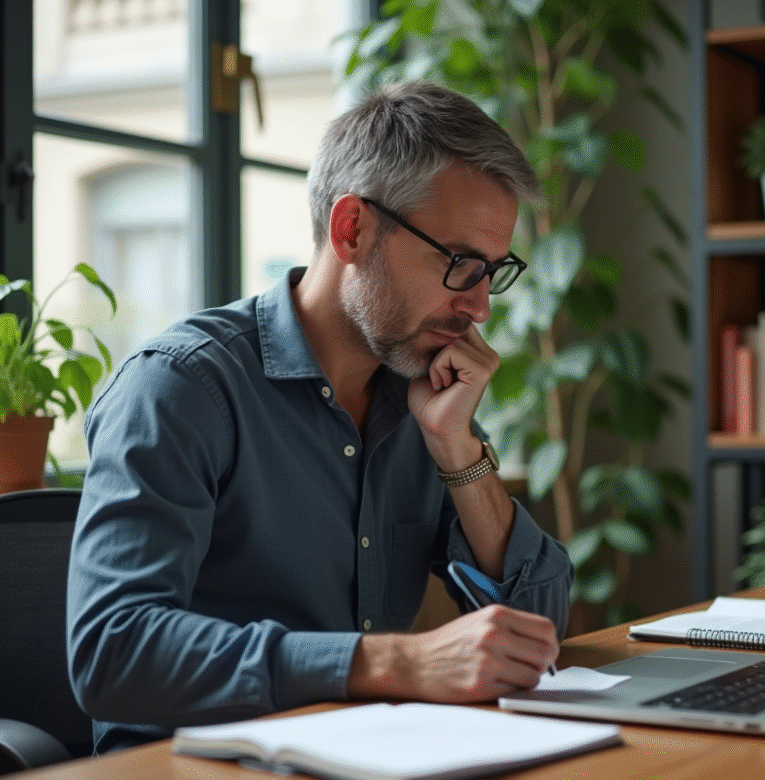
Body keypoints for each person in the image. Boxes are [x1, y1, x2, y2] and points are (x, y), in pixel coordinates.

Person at [66, 80, 572, 753]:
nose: (480, 308)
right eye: (459, 264)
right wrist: (392, 662)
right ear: (352, 229)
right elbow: (112, 652)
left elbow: (539, 624)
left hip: (367, 755)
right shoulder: (182, 387)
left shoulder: (420, 392)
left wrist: (457, 450)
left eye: (492, 270)